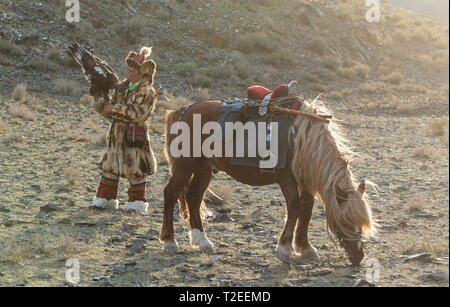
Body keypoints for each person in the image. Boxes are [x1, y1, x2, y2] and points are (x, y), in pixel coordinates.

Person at [91, 46, 158, 213]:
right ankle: (105, 200)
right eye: (128, 69)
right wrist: (101, 103)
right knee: (110, 167)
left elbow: (137, 114)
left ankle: (136, 205)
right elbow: (111, 106)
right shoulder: (122, 87)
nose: (129, 73)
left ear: (142, 72)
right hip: (117, 134)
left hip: (135, 134)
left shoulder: (147, 91)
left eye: (133, 70)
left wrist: (112, 109)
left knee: (136, 169)